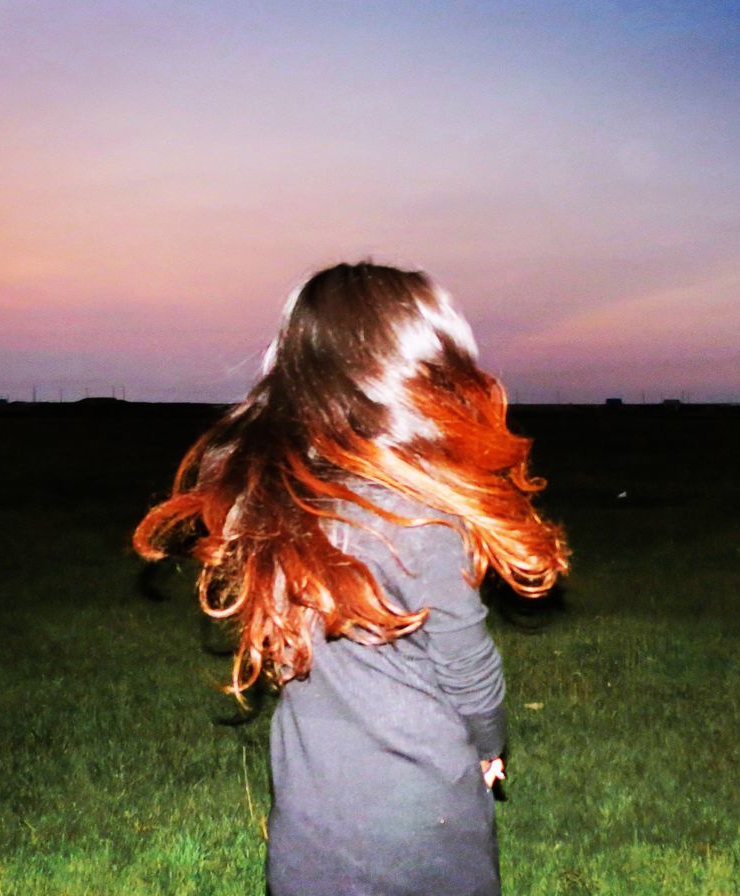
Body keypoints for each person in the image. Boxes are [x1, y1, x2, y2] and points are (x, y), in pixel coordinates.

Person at [134, 262, 568, 895]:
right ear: (419, 372)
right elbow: (467, 665)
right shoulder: (418, 511)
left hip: (311, 801)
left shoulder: (277, 499)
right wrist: (488, 743)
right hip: (421, 809)